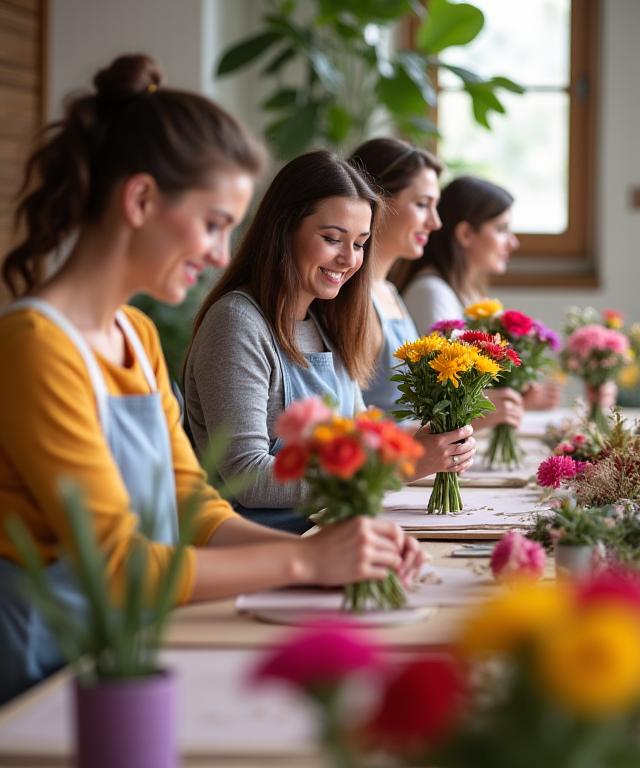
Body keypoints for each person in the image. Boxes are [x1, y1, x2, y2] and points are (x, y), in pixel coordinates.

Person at [0, 55, 424, 703]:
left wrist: (338, 549)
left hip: (131, 651)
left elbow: (194, 506)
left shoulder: (135, 338)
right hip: (45, 675)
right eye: (214, 224)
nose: (222, 256)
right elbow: (115, 565)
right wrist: (305, 562)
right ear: (140, 200)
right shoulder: (35, 345)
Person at [184, 150, 476, 534]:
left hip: (330, 534)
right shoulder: (238, 323)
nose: (348, 259)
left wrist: (429, 442)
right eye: (332, 239)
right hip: (266, 550)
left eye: (359, 244)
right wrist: (399, 465)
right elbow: (249, 477)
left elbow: (359, 433)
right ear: (283, 229)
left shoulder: (327, 322)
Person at [393, 175, 560, 411]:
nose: (513, 242)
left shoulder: (467, 292)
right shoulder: (432, 293)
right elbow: (444, 392)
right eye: (501, 229)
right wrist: (516, 402)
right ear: (466, 234)